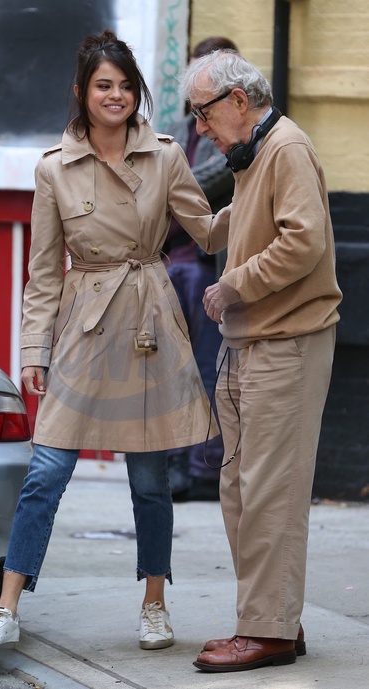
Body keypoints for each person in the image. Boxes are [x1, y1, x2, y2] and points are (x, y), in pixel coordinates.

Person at [0, 29, 223, 653]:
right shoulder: (53, 167)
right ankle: (5, 608)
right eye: (104, 85)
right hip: (83, 325)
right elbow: (43, 271)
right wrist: (34, 350)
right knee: (46, 471)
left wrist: (257, 178)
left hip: (147, 326)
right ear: (81, 91)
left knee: (150, 479)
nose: (116, 96)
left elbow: (209, 232)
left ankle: (154, 604)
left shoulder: (165, 157)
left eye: (126, 86)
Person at [179, 51, 342, 672]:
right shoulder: (256, 152)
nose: (201, 129)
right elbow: (240, 221)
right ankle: (275, 619)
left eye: (204, 114)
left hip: (286, 343)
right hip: (252, 344)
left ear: (238, 101)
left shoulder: (286, 147)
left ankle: (265, 632)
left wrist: (233, 284)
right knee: (241, 490)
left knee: (270, 491)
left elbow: (303, 240)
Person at [162, 36, 238, 502]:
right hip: (168, 262)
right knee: (171, 369)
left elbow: (210, 181)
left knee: (210, 370)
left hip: (209, 267)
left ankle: (203, 468)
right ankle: (174, 462)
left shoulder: (237, 132)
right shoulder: (175, 128)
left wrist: (165, 192)